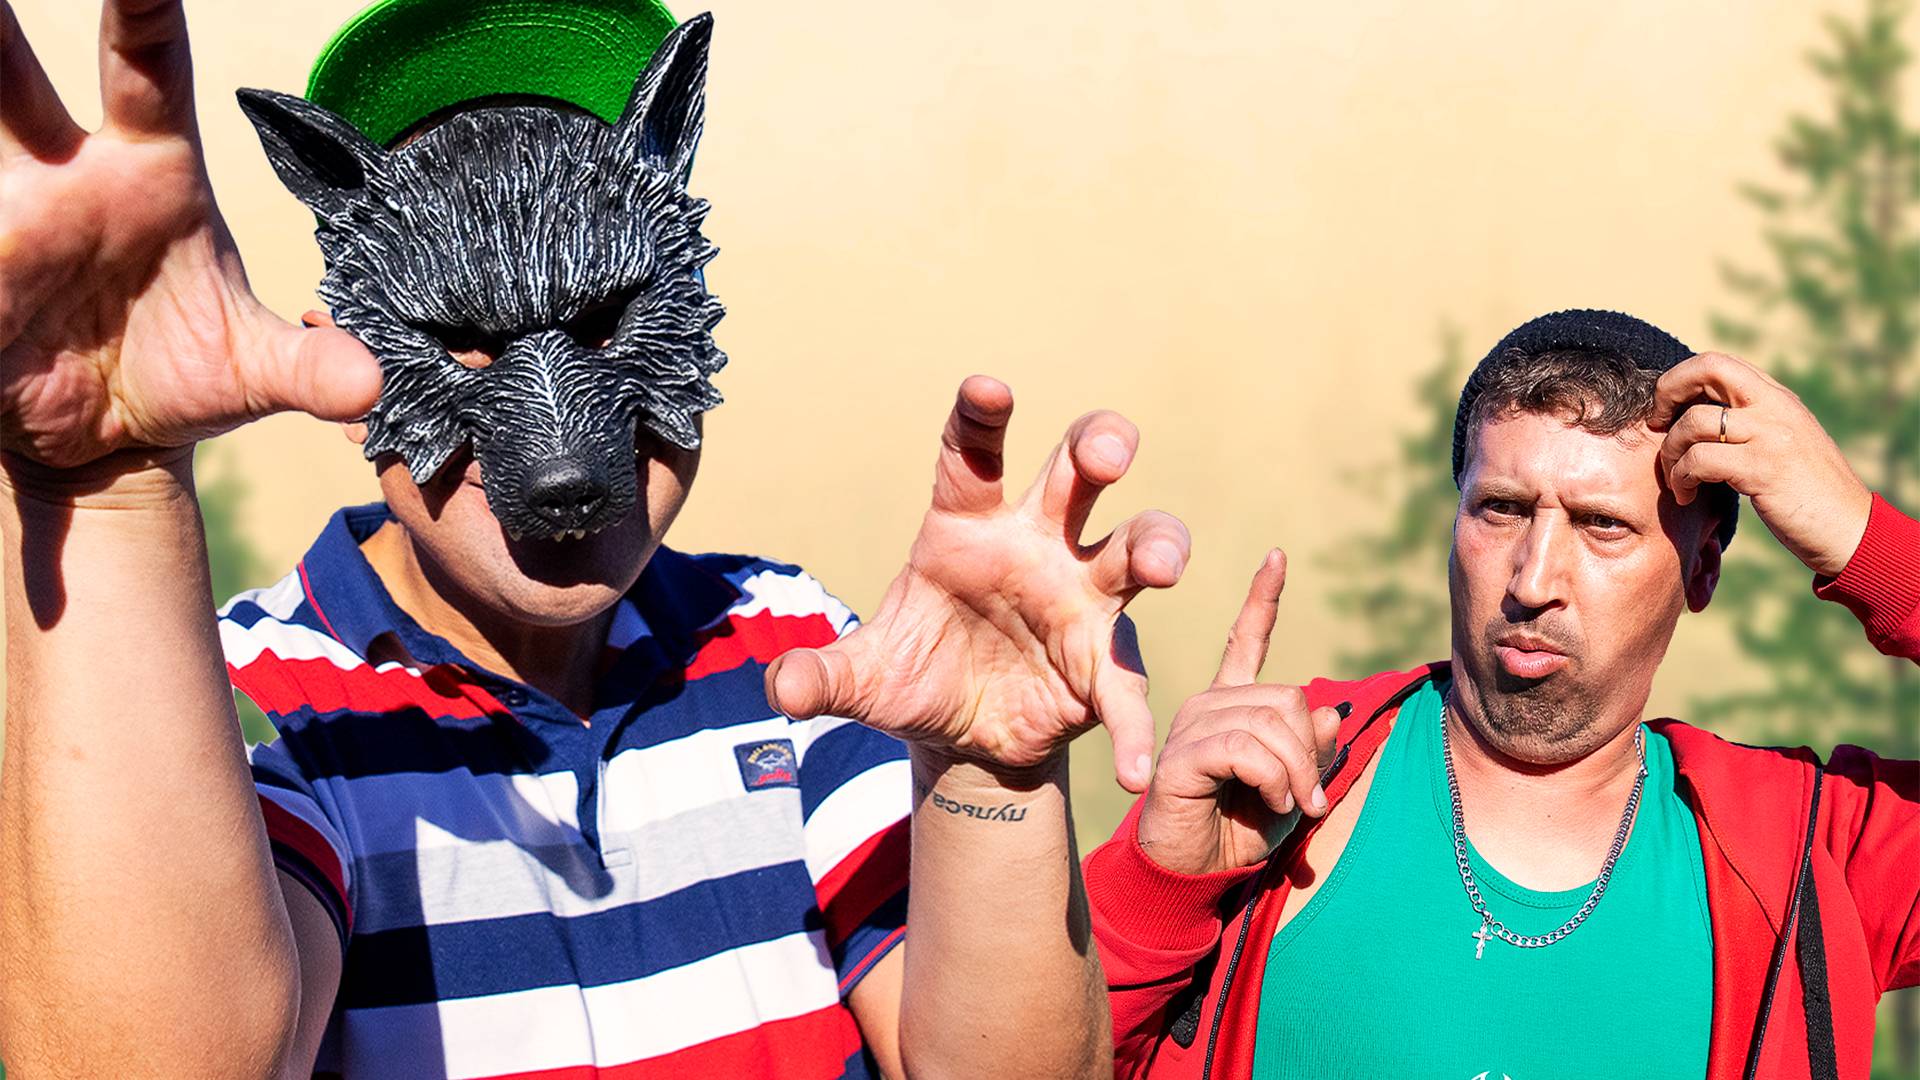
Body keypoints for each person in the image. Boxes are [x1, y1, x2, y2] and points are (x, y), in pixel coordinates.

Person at [0, 1, 1194, 1076]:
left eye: (611, 321)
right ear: (338, 364)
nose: (569, 463)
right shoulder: (253, 708)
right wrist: (105, 491)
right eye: (466, 346)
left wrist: (989, 770)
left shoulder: (793, 646)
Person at [1086, 309, 1919, 1080]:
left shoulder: (1814, 853)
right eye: (1502, 509)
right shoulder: (1274, 782)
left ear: (1700, 571)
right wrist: (1146, 885)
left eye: (1602, 524)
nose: (1533, 580)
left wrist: (1867, 543)